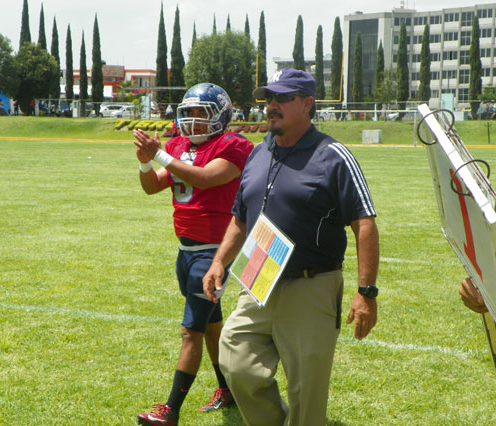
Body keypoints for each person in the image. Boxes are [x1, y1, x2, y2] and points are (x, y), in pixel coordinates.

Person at [203, 68, 380, 426]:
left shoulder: (333, 155)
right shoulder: (257, 153)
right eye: (269, 98)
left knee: (307, 394)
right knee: (236, 363)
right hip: (257, 276)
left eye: (282, 98)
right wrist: (219, 262)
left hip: (310, 283)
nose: (272, 106)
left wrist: (366, 293)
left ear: (307, 104)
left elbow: (364, 222)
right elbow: (240, 216)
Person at [134, 83, 254, 426]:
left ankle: (170, 410)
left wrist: (160, 156)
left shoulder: (234, 146)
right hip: (186, 250)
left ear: (221, 116)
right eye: (188, 113)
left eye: (202, 114)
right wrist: (146, 164)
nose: (194, 121)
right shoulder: (176, 146)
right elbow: (153, 186)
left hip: (213, 253)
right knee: (211, 325)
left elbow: (202, 179)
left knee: (191, 331)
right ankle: (226, 389)